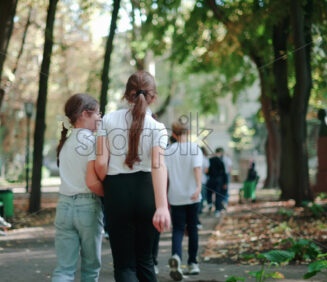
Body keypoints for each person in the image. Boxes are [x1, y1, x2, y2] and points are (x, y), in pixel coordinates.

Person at [95, 71, 171, 282]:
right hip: (147, 192)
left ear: (126, 95)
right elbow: (158, 165)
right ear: (153, 98)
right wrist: (162, 206)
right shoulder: (158, 128)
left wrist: (107, 186)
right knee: (145, 261)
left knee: (124, 265)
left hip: (117, 192)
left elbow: (101, 163)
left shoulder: (108, 120)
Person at [52, 93, 104, 282]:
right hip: (87, 207)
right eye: (98, 113)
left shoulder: (65, 143)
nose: (100, 118)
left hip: (64, 207)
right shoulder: (91, 142)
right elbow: (93, 181)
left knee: (64, 269)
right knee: (90, 269)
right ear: (84, 114)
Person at [165, 122, 203, 280]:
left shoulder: (168, 151)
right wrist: (198, 187)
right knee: (193, 228)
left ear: (173, 134)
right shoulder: (195, 149)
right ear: (188, 133)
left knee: (178, 229)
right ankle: (193, 263)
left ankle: (176, 257)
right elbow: (197, 169)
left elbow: (165, 175)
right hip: (192, 196)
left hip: (175, 196)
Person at [206, 147, 228, 217]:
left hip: (211, 179)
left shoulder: (209, 160)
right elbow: (224, 172)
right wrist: (225, 182)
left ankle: (210, 204)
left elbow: (207, 171)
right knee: (218, 195)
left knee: (209, 193)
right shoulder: (221, 161)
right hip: (219, 180)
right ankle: (217, 210)